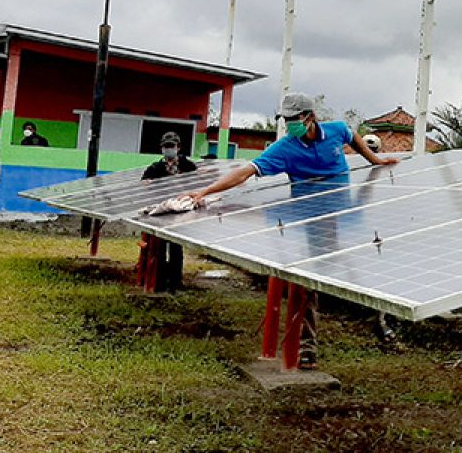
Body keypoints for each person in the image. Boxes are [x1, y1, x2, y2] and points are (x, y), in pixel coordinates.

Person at [185, 92, 398, 369]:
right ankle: (307, 347)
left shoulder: (334, 131)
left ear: (310, 117)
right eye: (285, 119)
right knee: (307, 284)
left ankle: (380, 318)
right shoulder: (285, 148)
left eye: (293, 119)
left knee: (362, 265)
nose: (288, 124)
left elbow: (352, 136)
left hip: (342, 214)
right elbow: (246, 171)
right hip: (309, 221)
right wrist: (206, 191)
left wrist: (375, 161)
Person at [140, 131, 197, 291]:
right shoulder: (155, 168)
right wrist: (147, 184)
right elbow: (144, 184)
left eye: (171, 146)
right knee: (158, 248)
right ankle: (159, 282)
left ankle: (175, 283)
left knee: (176, 248)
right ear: (162, 149)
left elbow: (197, 184)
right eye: (166, 146)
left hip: (181, 214)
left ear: (178, 147)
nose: (168, 149)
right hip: (161, 214)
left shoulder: (188, 166)